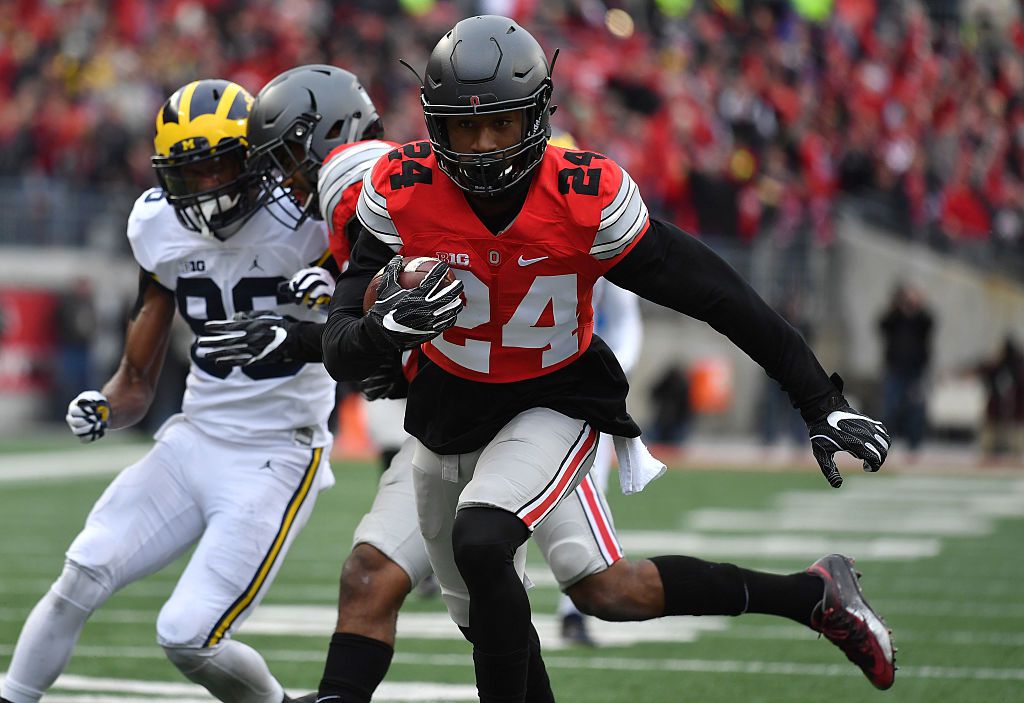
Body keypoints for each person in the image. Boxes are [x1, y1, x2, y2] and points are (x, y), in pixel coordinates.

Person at [320, 16, 897, 702]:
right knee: (531, 607)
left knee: (481, 540)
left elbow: (716, 291)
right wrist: (384, 330)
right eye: (463, 127)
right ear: (434, 126)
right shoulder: (403, 185)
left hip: (554, 397)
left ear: (535, 115)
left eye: (500, 123)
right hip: (448, 407)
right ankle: (813, 596)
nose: (481, 145)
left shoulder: (583, 196)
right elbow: (340, 343)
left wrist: (817, 397)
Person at [0, 79, 333, 703]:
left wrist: (338, 291)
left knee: (187, 635)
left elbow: (379, 304)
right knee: (81, 573)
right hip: (193, 440)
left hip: (276, 455)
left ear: (257, 158)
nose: (206, 189)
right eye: (189, 174)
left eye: (220, 166)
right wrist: (104, 405)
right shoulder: (159, 227)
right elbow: (135, 384)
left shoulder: (311, 222)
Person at [878, 282, 934, 452]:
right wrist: (897, 307)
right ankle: (886, 442)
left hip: (915, 371)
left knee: (915, 409)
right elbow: (883, 324)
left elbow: (928, 323)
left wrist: (917, 306)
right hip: (895, 370)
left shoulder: (921, 320)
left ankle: (914, 446)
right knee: (891, 407)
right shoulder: (895, 320)